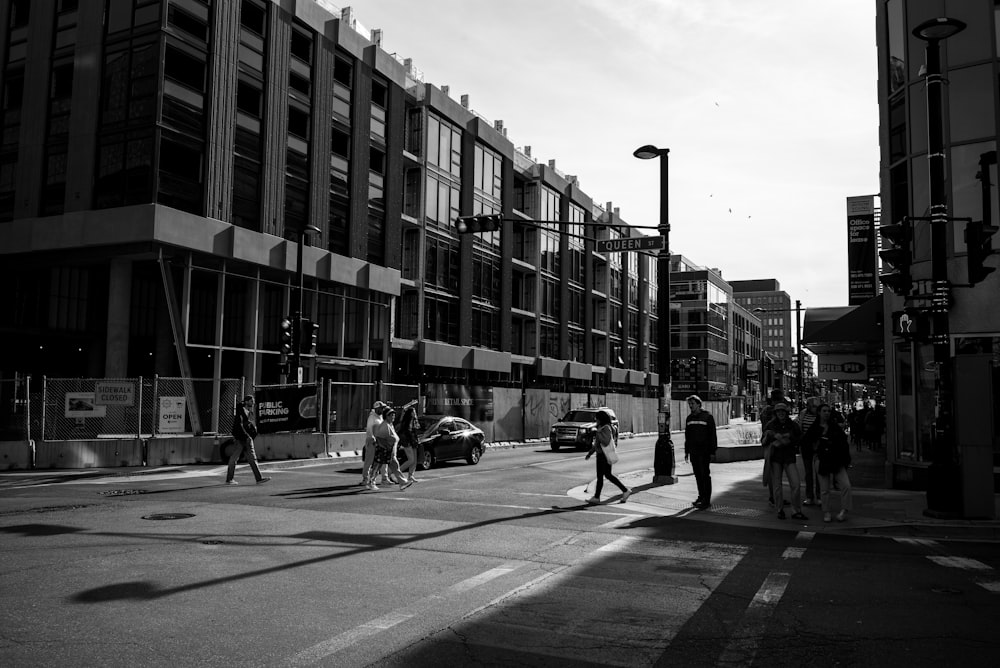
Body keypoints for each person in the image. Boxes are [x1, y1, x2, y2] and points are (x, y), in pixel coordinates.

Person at [807, 403, 853, 522]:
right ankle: (826, 511)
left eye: (828, 411)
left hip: (836, 460)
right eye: (824, 411)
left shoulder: (834, 427)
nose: (827, 413)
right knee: (824, 489)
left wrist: (845, 459)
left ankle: (844, 510)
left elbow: (843, 442)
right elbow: (807, 442)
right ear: (819, 413)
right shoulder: (815, 428)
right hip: (822, 460)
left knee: (846, 485)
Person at [762, 403, 806, 520]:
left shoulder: (792, 425)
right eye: (778, 411)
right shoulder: (770, 425)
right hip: (776, 458)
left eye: (783, 411)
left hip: (789, 457)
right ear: (775, 413)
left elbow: (800, 438)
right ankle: (779, 509)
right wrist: (773, 437)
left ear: (786, 413)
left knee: (796, 484)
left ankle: (796, 510)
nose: (781, 413)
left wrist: (789, 438)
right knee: (777, 486)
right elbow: (763, 440)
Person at [584, 409, 631, 504]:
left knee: (601, 476)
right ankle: (625, 491)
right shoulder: (602, 428)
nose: (595, 420)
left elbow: (605, 442)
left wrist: (597, 433)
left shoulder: (606, 428)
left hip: (603, 455)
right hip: (602, 454)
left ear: (601, 419)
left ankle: (597, 497)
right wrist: (590, 453)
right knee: (607, 475)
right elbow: (597, 444)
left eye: (597, 418)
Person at [226, 395, 271, 485]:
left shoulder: (250, 413)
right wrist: (246, 437)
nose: (253, 403)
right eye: (251, 401)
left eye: (253, 401)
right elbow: (239, 426)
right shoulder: (240, 412)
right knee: (234, 459)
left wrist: (251, 436)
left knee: (252, 459)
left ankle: (259, 478)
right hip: (241, 439)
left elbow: (250, 426)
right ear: (246, 402)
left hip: (247, 439)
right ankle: (229, 479)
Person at [683, 395, 717, 509]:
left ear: (698, 404)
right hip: (694, 451)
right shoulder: (689, 418)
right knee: (698, 475)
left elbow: (713, 435)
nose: (691, 406)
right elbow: (687, 436)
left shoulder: (707, 417)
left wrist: (712, 451)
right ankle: (701, 496)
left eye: (692, 404)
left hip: (704, 451)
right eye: (689, 404)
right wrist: (687, 451)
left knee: (705, 475)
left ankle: (706, 500)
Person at [372, 408, 412, 491]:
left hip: (390, 452)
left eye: (394, 415)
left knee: (393, 466)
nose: (393, 416)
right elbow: (379, 438)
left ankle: (402, 482)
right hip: (385, 451)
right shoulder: (384, 426)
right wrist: (386, 448)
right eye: (391, 415)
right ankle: (370, 482)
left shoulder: (390, 425)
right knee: (377, 466)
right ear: (386, 416)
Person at [759, 389, 785, 506]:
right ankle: (775, 497)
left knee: (771, 470)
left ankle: (773, 496)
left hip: (766, 443)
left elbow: (763, 424)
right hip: (776, 442)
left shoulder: (765, 410)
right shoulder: (777, 410)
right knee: (776, 472)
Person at [796, 397, 821, 506]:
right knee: (808, 473)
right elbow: (796, 425)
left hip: (818, 447)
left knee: (819, 472)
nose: (814, 408)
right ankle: (809, 496)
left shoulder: (820, 415)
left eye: (816, 406)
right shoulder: (803, 414)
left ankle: (819, 496)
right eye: (812, 406)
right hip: (806, 447)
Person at [361, 401, 386, 488]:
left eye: (383, 408)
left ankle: (383, 478)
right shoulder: (372, 418)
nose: (382, 409)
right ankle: (365, 478)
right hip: (371, 441)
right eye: (381, 408)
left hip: (379, 441)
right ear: (376, 408)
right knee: (369, 460)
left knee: (379, 461)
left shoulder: (380, 417)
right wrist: (372, 439)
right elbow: (369, 430)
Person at [397, 399, 421, 484]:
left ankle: (411, 476)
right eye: (413, 412)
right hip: (407, 440)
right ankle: (397, 473)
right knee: (411, 459)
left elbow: (417, 428)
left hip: (413, 439)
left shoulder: (413, 422)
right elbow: (403, 410)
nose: (415, 413)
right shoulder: (405, 424)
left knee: (414, 460)